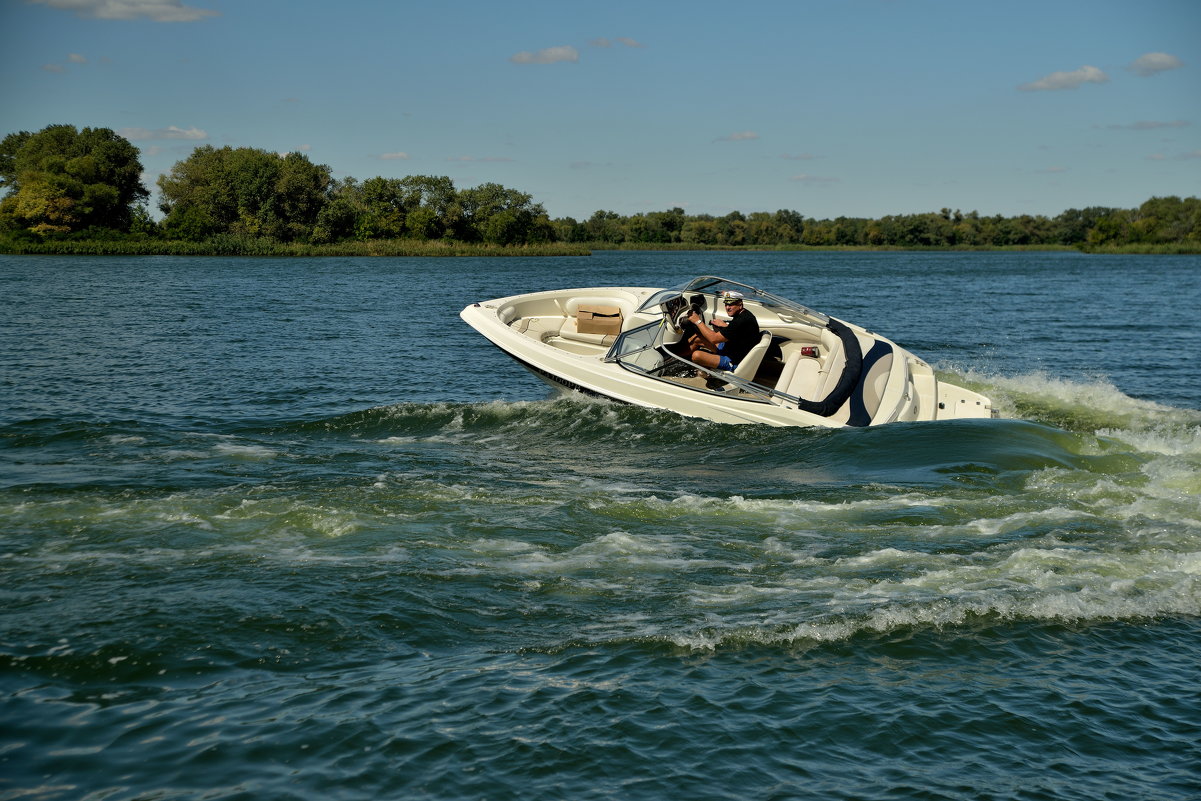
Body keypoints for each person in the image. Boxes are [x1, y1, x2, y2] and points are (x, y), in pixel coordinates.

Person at [683, 290, 760, 380]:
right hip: (733, 349)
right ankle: (677, 358)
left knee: (696, 356)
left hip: (735, 361)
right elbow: (737, 331)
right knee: (697, 338)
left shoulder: (740, 321)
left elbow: (713, 339)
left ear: (740, 305)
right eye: (726, 304)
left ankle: (707, 374)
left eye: (731, 305)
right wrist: (725, 326)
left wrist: (697, 321)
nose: (727, 308)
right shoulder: (745, 315)